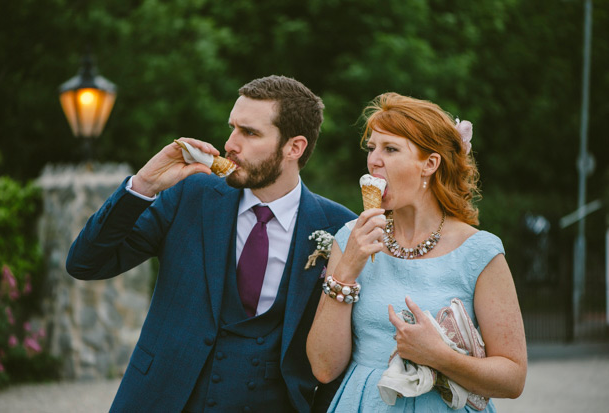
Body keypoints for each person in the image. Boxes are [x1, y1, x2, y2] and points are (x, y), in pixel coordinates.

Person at [66, 75, 356, 413]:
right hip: (162, 400)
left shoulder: (339, 228)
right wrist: (143, 184)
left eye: (250, 133)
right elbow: (85, 263)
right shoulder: (191, 195)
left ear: (294, 147)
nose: (231, 143)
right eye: (233, 128)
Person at [306, 93, 527, 412]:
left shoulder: (479, 252)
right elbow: (324, 367)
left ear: (430, 164)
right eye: (372, 148)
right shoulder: (351, 238)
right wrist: (347, 269)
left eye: (391, 149)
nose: (373, 160)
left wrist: (439, 357)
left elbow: (513, 378)